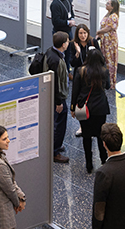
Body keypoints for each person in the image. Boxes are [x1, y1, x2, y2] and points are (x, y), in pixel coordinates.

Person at [70, 48, 110, 173]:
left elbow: (75, 90)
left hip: (85, 108)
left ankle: (88, 164)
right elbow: (107, 86)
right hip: (100, 108)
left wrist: (72, 107)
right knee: (100, 135)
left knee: (86, 136)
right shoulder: (104, 71)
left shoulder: (81, 71)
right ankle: (104, 160)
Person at [47, 31, 71, 163]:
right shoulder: (56, 60)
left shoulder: (52, 52)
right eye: (67, 41)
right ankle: (54, 151)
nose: (68, 43)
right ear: (63, 44)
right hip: (58, 98)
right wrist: (59, 102)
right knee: (59, 123)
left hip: (55, 96)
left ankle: (56, 144)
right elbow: (55, 82)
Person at [50, 0, 75, 71]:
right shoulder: (55, 4)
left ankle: (67, 71)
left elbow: (71, 13)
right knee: (60, 53)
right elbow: (56, 21)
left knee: (69, 53)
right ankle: (60, 72)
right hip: (59, 33)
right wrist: (68, 22)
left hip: (68, 32)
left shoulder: (68, 0)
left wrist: (72, 19)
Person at [96, 0, 119, 86]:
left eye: (108, 3)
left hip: (110, 42)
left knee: (110, 61)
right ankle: (105, 79)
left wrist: (99, 32)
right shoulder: (107, 15)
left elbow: (108, 28)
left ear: (112, 7)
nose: (106, 4)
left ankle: (111, 82)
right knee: (105, 59)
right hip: (105, 41)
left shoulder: (113, 16)